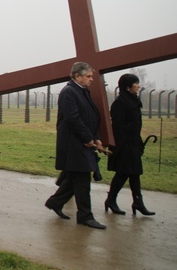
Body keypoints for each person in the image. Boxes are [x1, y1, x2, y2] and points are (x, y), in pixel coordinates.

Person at [44, 61, 111, 229]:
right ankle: (85, 216)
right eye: (88, 76)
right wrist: (88, 138)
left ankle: (55, 202)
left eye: (91, 76)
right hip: (73, 144)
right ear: (77, 76)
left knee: (76, 178)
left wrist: (96, 137)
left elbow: (91, 117)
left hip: (83, 142)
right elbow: (74, 118)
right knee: (81, 180)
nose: (91, 80)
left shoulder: (82, 91)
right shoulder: (69, 92)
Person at [105, 73, 155, 216]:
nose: (138, 86)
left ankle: (137, 202)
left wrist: (138, 142)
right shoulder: (120, 103)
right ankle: (112, 200)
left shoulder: (134, 101)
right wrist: (121, 146)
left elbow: (135, 125)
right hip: (124, 145)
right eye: (136, 83)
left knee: (134, 174)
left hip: (133, 143)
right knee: (124, 173)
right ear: (128, 87)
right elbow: (118, 127)